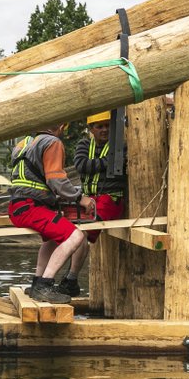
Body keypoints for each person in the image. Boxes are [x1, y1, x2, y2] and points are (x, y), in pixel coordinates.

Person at [8, 122, 94, 304]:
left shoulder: (22, 144)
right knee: (76, 236)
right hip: (32, 207)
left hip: (18, 206)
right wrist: (80, 199)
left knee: (54, 240)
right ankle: (44, 285)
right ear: (62, 126)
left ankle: (37, 282)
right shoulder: (52, 142)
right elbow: (56, 180)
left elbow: (32, 178)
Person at [57, 111, 129, 297]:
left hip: (109, 199)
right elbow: (81, 166)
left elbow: (97, 164)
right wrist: (107, 162)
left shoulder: (120, 144)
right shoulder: (84, 144)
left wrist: (100, 163)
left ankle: (71, 278)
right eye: (100, 126)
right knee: (71, 231)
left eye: (107, 125)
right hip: (88, 199)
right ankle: (66, 279)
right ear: (91, 129)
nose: (104, 130)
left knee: (81, 233)